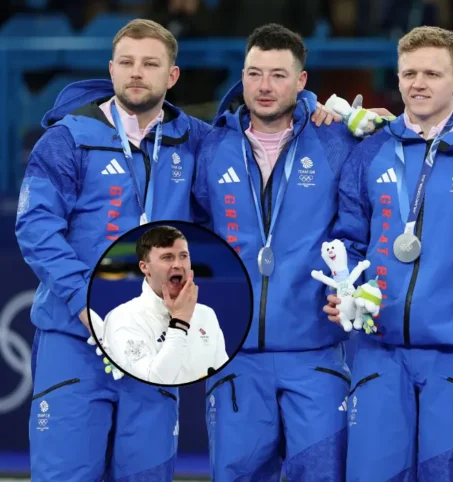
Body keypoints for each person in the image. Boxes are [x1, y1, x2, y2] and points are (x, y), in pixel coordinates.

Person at [15, 19, 212, 482]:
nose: (136, 72)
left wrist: (310, 106)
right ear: (111, 68)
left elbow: (263, 131)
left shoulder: (195, 140)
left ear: (173, 75)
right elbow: (36, 227)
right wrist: (86, 301)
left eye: (150, 63)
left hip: (154, 342)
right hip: (76, 338)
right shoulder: (67, 139)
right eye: (126, 62)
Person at [325, 26, 453, 481]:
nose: (419, 83)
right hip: (378, 348)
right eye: (409, 72)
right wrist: (346, 288)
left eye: (433, 72)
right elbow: (348, 237)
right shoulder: (369, 151)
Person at [193, 24, 359, 481]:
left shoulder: (337, 142)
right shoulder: (211, 147)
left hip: (314, 352)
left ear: (302, 82)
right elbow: (191, 232)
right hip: (236, 355)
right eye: (254, 73)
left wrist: (351, 285)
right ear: (241, 76)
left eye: (279, 75)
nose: (265, 87)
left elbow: (358, 227)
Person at [102, 225, 228, 385]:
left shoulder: (206, 314)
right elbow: (153, 383)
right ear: (144, 267)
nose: (178, 264)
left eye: (183, 256)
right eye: (167, 257)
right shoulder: (123, 318)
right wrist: (180, 322)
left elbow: (223, 379)